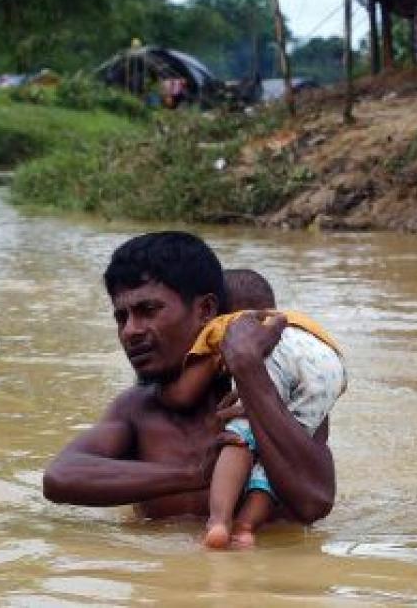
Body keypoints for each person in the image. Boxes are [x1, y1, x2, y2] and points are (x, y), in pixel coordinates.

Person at [42, 232, 340, 527]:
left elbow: (313, 502)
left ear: (206, 311)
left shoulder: (288, 395)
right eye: (122, 317)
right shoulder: (137, 409)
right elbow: (61, 477)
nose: (130, 330)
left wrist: (249, 371)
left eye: (148, 310)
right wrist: (193, 474)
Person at [164, 269, 345, 549]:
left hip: (277, 359)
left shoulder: (233, 325)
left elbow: (183, 393)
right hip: (330, 366)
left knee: (242, 432)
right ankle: (246, 527)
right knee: (280, 449)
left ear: (214, 309)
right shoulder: (297, 322)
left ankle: (219, 522)